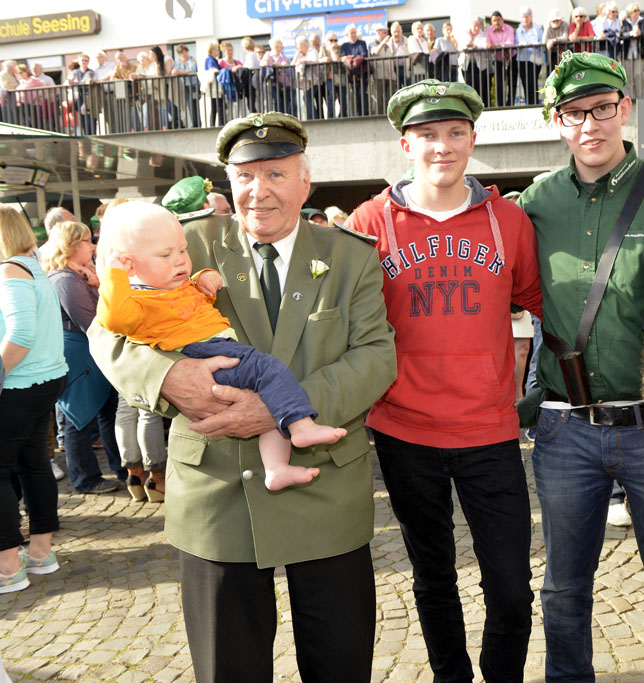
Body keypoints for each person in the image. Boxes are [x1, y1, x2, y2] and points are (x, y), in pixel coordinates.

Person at [87, 111, 396, 680]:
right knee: (228, 669)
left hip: (324, 487)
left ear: (305, 181)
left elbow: (376, 356)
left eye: (276, 173)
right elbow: (105, 334)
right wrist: (165, 378)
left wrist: (277, 406)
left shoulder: (351, 256)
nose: (259, 190)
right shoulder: (186, 242)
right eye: (245, 176)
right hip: (218, 492)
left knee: (340, 664)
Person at [349, 78, 541, 683]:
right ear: (406, 144)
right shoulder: (369, 221)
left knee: (511, 586)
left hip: (489, 430)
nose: (443, 146)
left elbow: (539, 304)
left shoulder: (508, 220)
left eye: (455, 132)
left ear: (472, 140)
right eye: (428, 134)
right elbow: (347, 321)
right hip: (404, 431)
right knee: (433, 576)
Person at [518, 51, 644, 682]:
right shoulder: (534, 202)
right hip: (565, 430)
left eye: (601, 109)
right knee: (564, 590)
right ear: (557, 121)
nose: (589, 125)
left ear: (626, 109)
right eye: (573, 113)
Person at [95, 202, 344, 491]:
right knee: (269, 369)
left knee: (270, 400)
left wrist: (201, 279)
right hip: (206, 355)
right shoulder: (134, 297)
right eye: (165, 255)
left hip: (215, 349)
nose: (179, 260)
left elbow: (189, 303)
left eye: (183, 251)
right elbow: (111, 323)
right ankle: (301, 426)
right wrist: (115, 275)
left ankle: (276, 467)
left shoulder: (169, 284)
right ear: (129, 264)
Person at [0, 206, 68, 593]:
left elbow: (22, 334)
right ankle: (41, 553)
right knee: (33, 464)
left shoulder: (11, 270)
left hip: (20, 383)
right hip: (43, 379)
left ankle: (8, 566)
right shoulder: (31, 267)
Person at [43, 221, 125, 494]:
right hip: (80, 354)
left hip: (89, 351)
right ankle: (85, 479)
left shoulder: (75, 274)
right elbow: (89, 321)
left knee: (104, 412)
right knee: (78, 418)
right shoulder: (65, 279)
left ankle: (121, 468)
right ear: (71, 245)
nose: (92, 245)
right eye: (87, 240)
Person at [486, 11, 517, 106]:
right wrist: (501, 45)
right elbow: (487, 45)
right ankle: (500, 105)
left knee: (512, 82)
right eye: (494, 21)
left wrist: (495, 45)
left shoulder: (509, 28)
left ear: (502, 20)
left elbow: (510, 43)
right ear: (491, 22)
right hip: (498, 59)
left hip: (511, 58)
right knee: (499, 83)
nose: (496, 22)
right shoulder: (488, 30)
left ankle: (510, 104)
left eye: (498, 20)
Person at [339, 24, 370, 117]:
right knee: (356, 95)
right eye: (351, 33)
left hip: (362, 73)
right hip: (352, 75)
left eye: (354, 32)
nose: (353, 34)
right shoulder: (344, 46)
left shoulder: (362, 43)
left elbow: (363, 54)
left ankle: (365, 114)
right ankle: (359, 114)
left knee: (362, 93)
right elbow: (343, 58)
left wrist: (351, 57)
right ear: (347, 34)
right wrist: (354, 58)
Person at [517, 7, 545, 105]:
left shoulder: (538, 29)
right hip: (522, 59)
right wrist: (519, 45)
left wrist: (532, 44)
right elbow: (515, 43)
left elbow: (542, 42)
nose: (525, 19)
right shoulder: (518, 30)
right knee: (525, 82)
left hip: (535, 59)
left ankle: (534, 103)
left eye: (527, 17)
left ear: (531, 17)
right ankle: (528, 104)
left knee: (532, 81)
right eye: (523, 17)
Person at [462, 18, 491, 104]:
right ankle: (471, 105)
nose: (477, 28)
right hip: (467, 65)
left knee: (480, 87)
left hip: (480, 65)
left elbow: (484, 45)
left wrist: (474, 46)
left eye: (479, 26)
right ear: (471, 25)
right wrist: (466, 46)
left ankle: (480, 105)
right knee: (469, 87)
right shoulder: (465, 33)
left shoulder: (483, 34)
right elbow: (460, 45)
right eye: (475, 26)